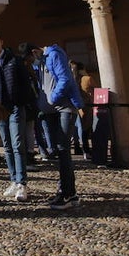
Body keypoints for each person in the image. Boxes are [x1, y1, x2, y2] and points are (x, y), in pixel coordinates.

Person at [33, 43, 84, 210]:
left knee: (63, 149)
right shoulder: (40, 62)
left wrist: (53, 98)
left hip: (64, 108)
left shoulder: (54, 55)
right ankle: (68, 192)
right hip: (52, 111)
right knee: (59, 150)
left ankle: (68, 193)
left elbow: (65, 79)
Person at [0, 30, 33, 201]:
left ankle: (21, 182)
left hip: (15, 107)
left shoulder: (14, 59)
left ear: (1, 41)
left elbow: (25, 82)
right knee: (7, 146)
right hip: (0, 109)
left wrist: (21, 101)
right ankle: (13, 179)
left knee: (18, 143)